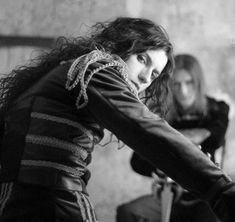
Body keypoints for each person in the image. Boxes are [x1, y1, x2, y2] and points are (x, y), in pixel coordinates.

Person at [0, 17, 234, 222]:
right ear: (121, 47)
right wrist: (223, 191)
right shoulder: (97, 68)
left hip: (19, 201)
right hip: (54, 202)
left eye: (154, 74)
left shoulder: (72, 70)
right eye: (142, 59)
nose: (145, 78)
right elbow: (147, 131)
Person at [116, 54, 230, 222]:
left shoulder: (217, 109)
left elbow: (215, 138)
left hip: (206, 198)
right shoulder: (160, 113)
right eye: (176, 84)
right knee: (127, 212)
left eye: (189, 82)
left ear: (198, 83)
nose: (183, 90)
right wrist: (163, 166)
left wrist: (164, 144)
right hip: (168, 195)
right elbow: (137, 162)